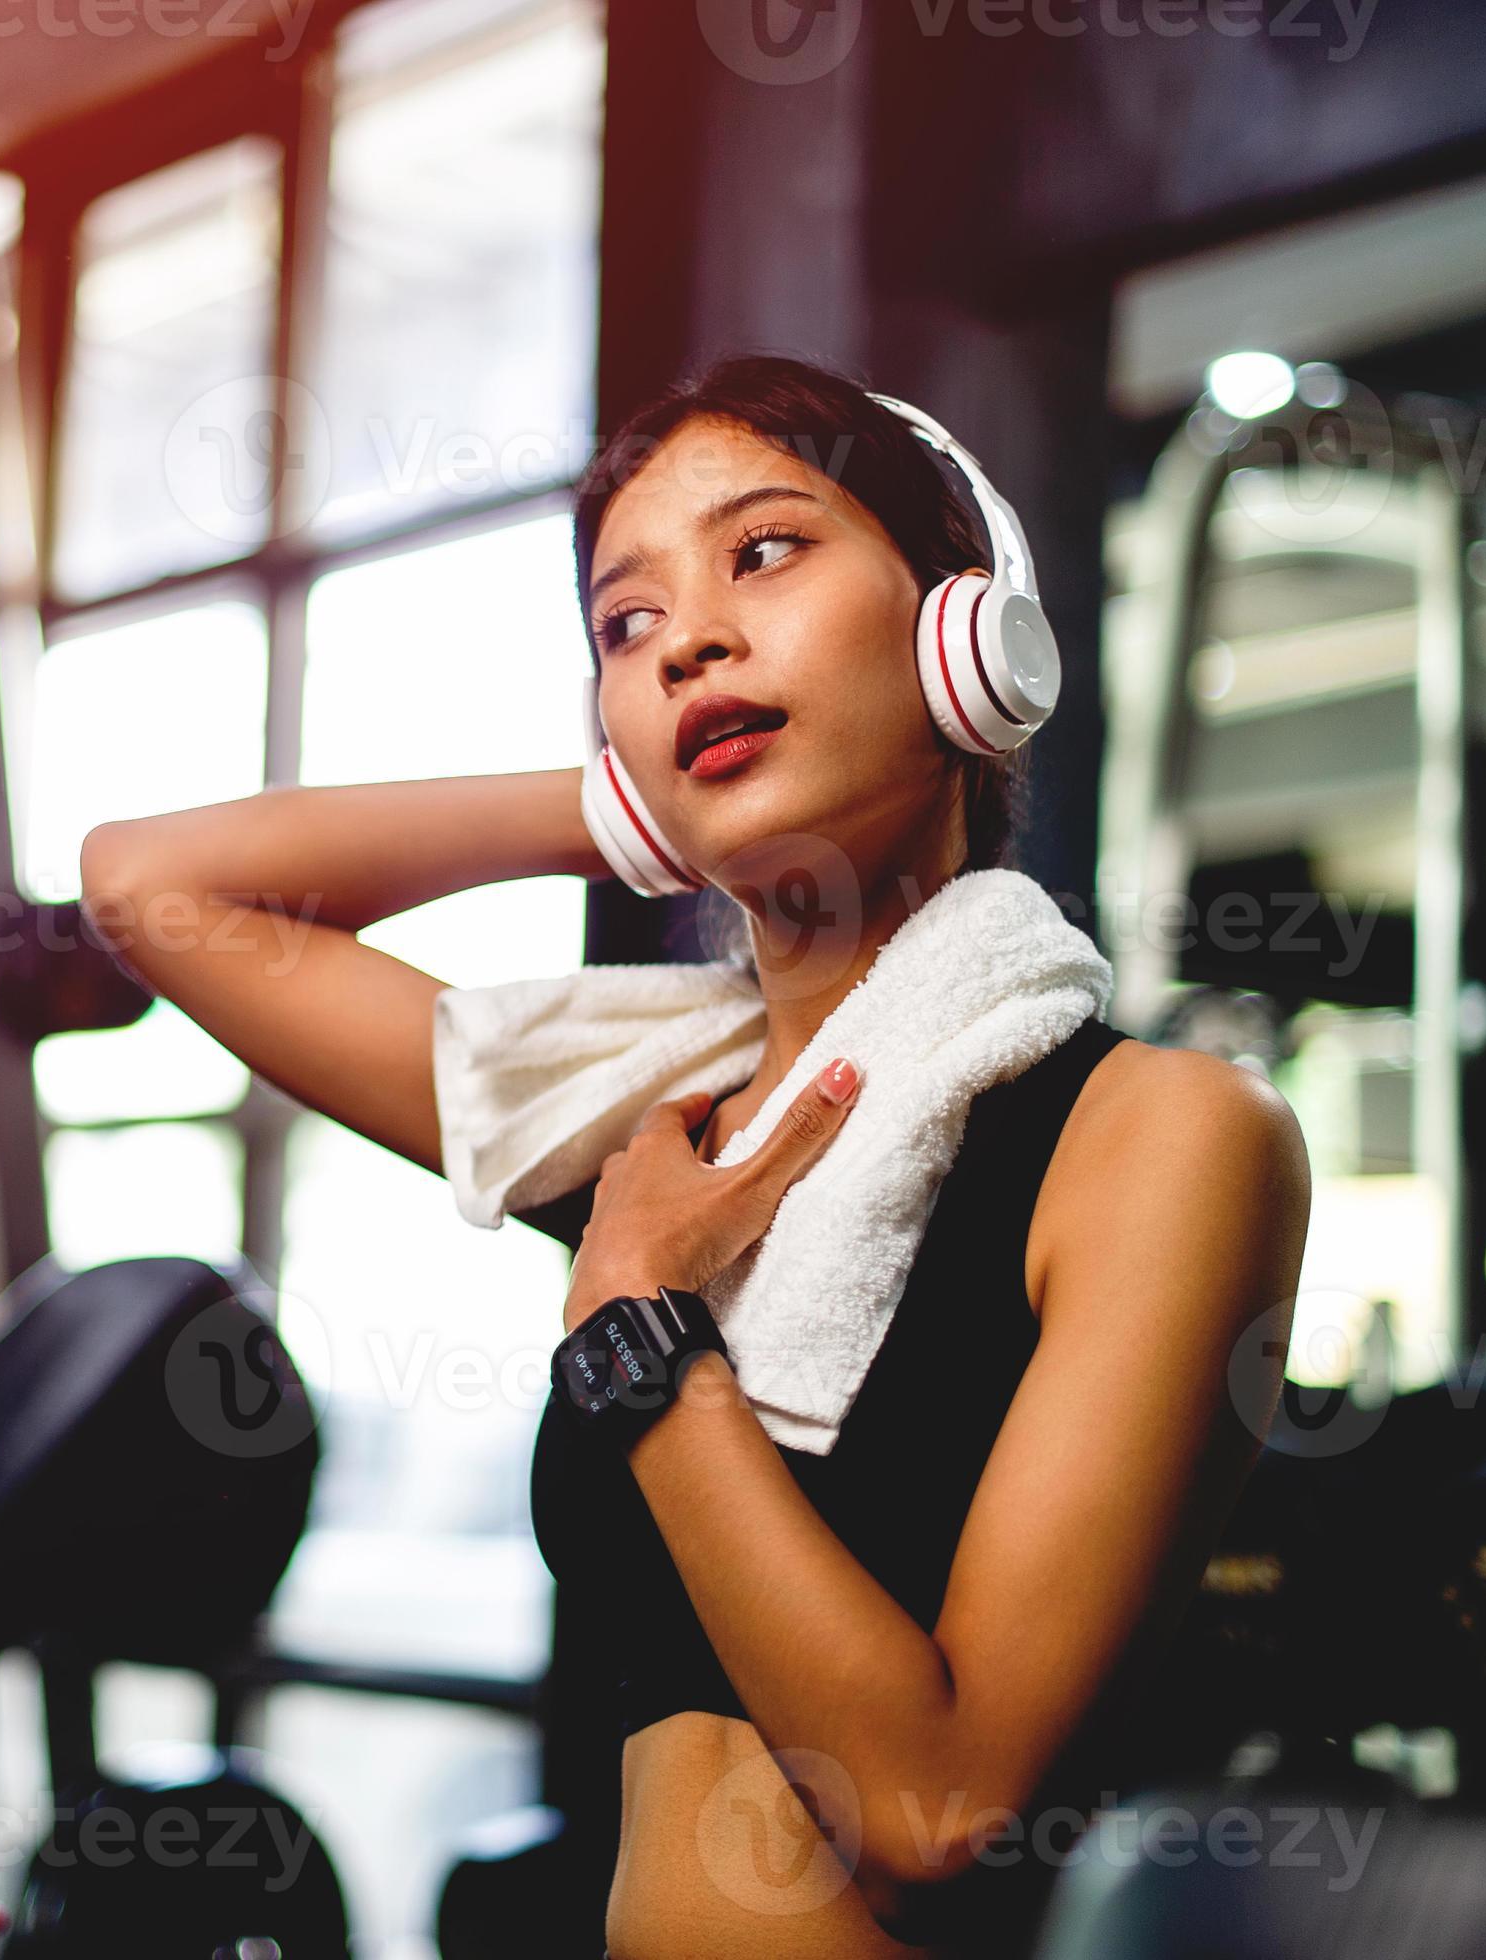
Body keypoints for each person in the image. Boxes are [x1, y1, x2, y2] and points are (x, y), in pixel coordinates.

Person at [79, 353, 1312, 1956]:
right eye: (625, 624)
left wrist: (644, 1330)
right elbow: (149, 889)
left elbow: (932, 1805)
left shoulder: (1156, 1136)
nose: (691, 642)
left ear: (964, 635)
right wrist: (616, 807)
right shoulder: (653, 1124)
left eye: (764, 552)